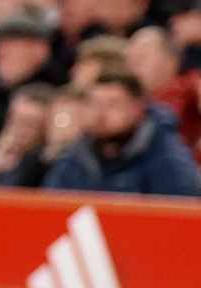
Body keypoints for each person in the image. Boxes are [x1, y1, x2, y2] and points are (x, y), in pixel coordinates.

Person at [41, 72, 201, 198]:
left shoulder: (167, 158)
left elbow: (177, 219)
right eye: (93, 103)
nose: (100, 114)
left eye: (114, 104)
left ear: (139, 108)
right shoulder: (77, 153)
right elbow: (52, 204)